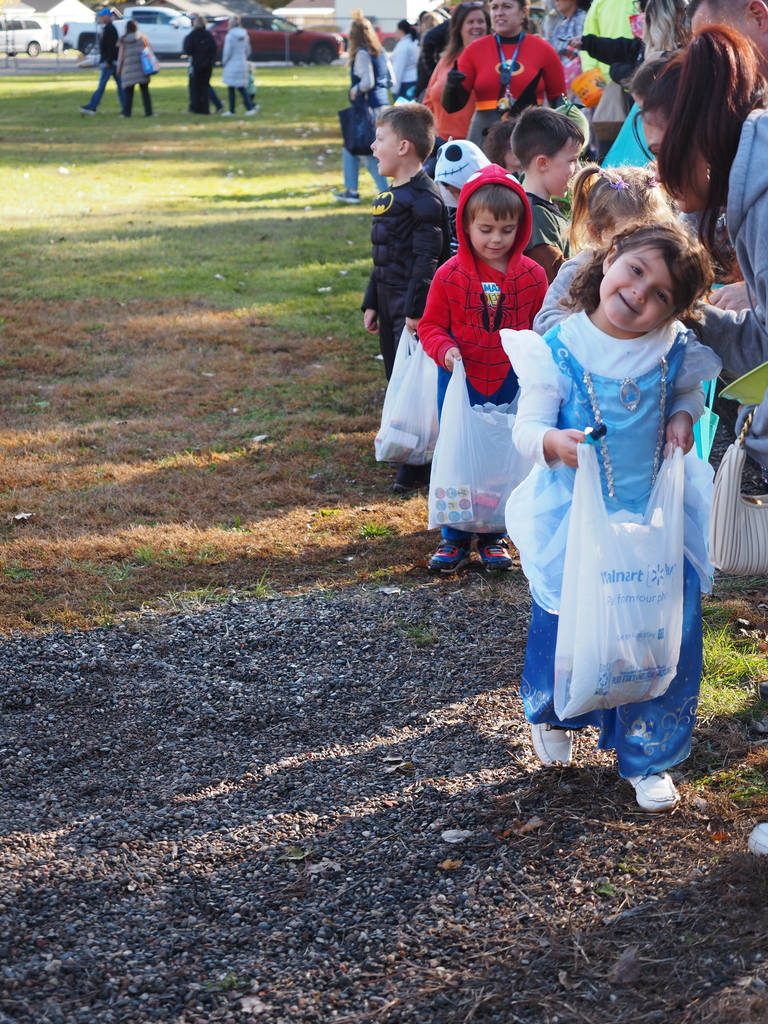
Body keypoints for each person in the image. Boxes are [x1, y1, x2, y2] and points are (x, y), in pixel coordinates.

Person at [503, 221, 721, 810]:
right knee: (568, 618)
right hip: (577, 516)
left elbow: (687, 391)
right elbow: (525, 428)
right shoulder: (559, 347)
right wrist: (554, 444)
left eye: (661, 296)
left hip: (653, 518)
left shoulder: (674, 346)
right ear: (613, 256)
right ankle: (555, 710)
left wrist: (682, 416)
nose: (639, 294)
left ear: (674, 310)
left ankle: (648, 751)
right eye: (637, 271)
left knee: (662, 626)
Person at [419, 165, 547, 572]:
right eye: (487, 229)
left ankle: (494, 532)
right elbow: (431, 325)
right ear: (466, 226)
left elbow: (543, 325)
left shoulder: (532, 276)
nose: (496, 239)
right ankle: (454, 535)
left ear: (521, 228)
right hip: (460, 380)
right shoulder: (449, 275)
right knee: (459, 453)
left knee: (503, 454)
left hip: (511, 381)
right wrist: (446, 351)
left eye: (507, 230)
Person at [362, 104, 450, 492]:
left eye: (380, 139)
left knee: (417, 382)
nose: (372, 146)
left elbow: (426, 263)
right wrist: (372, 300)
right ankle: (409, 450)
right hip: (388, 299)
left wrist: (416, 313)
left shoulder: (425, 201)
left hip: (411, 308)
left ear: (403, 147)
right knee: (396, 378)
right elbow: (382, 254)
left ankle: (421, 461)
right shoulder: (391, 195)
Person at [534, 163, 674, 334]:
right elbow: (545, 322)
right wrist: (598, 329)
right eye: (625, 239)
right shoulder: (578, 268)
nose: (639, 247)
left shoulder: (664, 270)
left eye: (651, 235)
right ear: (596, 233)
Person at [441, 0, 566, 148]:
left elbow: (560, 103)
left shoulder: (543, 49)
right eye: (494, 7)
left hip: (530, 138)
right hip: (485, 139)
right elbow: (452, 107)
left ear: (523, 12)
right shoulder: (474, 50)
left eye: (506, 6)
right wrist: (451, 87)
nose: (499, 12)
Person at [511, 106, 585, 283]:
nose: (579, 169)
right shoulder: (534, 214)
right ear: (543, 163)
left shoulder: (543, 209)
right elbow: (559, 277)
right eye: (573, 160)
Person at [333, 11, 392, 205]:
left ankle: (382, 193)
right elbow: (392, 80)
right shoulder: (381, 53)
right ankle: (354, 189)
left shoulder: (362, 54)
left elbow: (367, 81)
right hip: (383, 106)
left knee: (363, 151)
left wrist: (355, 89)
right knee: (358, 149)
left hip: (368, 110)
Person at [422, 1, 491, 144]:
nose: (476, 26)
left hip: (480, 145)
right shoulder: (447, 60)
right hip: (442, 143)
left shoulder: (494, 59)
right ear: (459, 28)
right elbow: (428, 100)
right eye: (470, 22)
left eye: (480, 21)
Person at [434, 138, 491, 253]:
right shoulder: (449, 211)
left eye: (460, 191)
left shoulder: (499, 201)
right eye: (451, 193)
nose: (458, 198)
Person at [78, 8, 124, 116]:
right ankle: (125, 108)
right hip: (111, 61)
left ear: (107, 17)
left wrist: (108, 60)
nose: (100, 18)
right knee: (120, 85)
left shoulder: (110, 29)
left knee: (102, 85)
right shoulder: (106, 28)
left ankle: (92, 106)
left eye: (102, 16)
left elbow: (112, 47)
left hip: (110, 62)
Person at [116, 20, 153, 119]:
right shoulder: (142, 37)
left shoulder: (123, 39)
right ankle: (149, 112)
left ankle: (126, 113)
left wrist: (118, 69)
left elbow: (121, 57)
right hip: (142, 68)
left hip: (129, 69)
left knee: (129, 93)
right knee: (145, 91)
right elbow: (149, 51)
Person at [221, 16, 257, 116]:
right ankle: (249, 108)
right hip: (242, 63)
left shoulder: (230, 36)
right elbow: (248, 50)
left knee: (231, 88)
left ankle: (232, 110)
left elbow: (227, 52)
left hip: (232, 64)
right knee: (242, 88)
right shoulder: (245, 35)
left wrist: (224, 62)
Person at [184, 16, 218, 115]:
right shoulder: (209, 35)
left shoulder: (192, 35)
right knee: (205, 86)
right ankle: (205, 108)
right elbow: (213, 49)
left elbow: (188, 50)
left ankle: (196, 107)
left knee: (195, 87)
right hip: (207, 65)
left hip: (196, 64)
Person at [391, 20, 420, 100]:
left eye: (396, 31)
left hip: (405, 83)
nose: (395, 34)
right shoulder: (413, 43)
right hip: (413, 81)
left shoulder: (403, 47)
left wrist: (394, 90)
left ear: (400, 31)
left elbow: (398, 69)